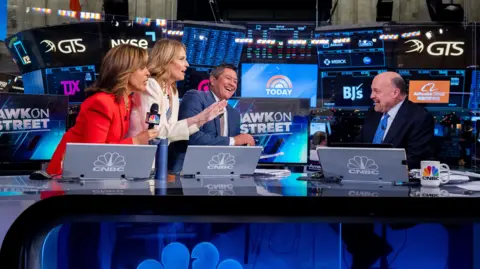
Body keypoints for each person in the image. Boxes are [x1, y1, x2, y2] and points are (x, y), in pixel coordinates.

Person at [340, 71, 435, 269]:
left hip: (398, 192)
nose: (371, 96)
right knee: (338, 211)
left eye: (376, 91)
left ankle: (370, 252)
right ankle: (370, 250)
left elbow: (417, 158)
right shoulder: (373, 115)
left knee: (354, 219)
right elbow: (359, 148)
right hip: (364, 185)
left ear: (394, 92)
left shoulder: (419, 117)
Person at [46, 44, 158, 176]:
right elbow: (96, 152)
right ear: (125, 71)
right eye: (142, 68)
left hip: (93, 173)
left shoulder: (126, 100)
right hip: (67, 175)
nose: (148, 73)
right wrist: (137, 141)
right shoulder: (101, 102)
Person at [128, 39, 227, 142]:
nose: (187, 64)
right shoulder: (151, 86)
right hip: (138, 154)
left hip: (160, 154)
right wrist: (197, 119)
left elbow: (172, 130)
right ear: (166, 60)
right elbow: (154, 131)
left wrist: (201, 121)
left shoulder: (172, 91)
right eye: (181, 59)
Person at [168, 63, 255, 172]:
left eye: (235, 81)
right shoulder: (196, 97)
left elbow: (233, 150)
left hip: (221, 172)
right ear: (213, 80)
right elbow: (191, 137)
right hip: (184, 173)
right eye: (228, 78)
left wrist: (246, 147)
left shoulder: (234, 114)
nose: (232, 84)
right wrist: (234, 140)